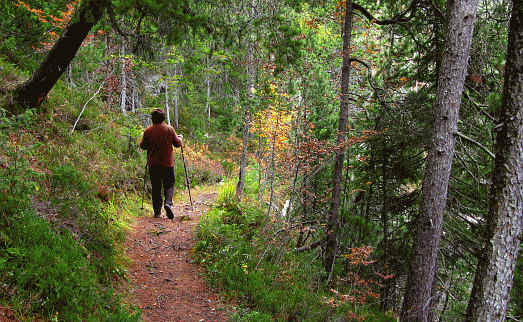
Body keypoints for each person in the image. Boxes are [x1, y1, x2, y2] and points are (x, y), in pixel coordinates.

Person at [139, 108, 183, 219]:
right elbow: (177, 144)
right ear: (163, 118)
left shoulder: (148, 131)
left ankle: (157, 212)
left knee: (156, 187)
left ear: (153, 119)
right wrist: (180, 138)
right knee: (169, 184)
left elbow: (142, 146)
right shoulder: (169, 129)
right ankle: (168, 203)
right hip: (167, 163)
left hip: (153, 164)